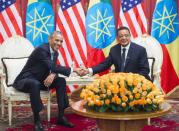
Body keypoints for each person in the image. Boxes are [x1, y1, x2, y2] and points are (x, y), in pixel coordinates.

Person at [13, 31, 81, 131]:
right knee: (34, 84)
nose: (59, 43)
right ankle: (37, 120)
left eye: (61, 41)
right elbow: (52, 66)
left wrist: (53, 74)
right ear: (50, 40)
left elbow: (53, 68)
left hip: (40, 80)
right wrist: (73, 69)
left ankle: (61, 117)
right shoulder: (42, 50)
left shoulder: (55, 53)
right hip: (25, 80)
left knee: (61, 81)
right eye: (57, 40)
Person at [82, 26, 150, 80]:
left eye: (126, 35)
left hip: (136, 83)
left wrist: (132, 80)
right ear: (117, 38)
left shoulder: (140, 50)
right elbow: (105, 64)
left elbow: (145, 70)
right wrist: (89, 70)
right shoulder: (114, 50)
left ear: (130, 36)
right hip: (118, 83)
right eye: (121, 36)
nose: (124, 38)